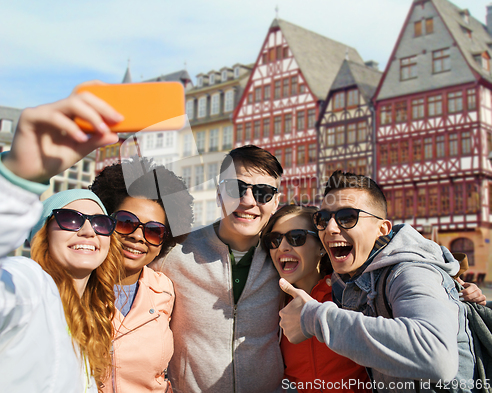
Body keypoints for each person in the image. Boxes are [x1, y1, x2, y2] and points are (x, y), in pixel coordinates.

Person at [279, 170, 479, 393]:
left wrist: (312, 318)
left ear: (382, 229)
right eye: (323, 219)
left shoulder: (410, 271)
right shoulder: (350, 278)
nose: (331, 228)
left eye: (347, 217)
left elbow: (437, 357)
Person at [0, 86, 124, 392]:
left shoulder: (96, 315)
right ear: (42, 233)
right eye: (70, 219)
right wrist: (16, 180)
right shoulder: (26, 284)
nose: (88, 231)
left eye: (101, 223)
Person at [150, 145, 284, 393]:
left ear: (276, 202)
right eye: (236, 188)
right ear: (219, 194)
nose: (248, 201)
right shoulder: (175, 253)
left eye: (263, 193)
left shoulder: (284, 259)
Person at [90, 160, 193, 393]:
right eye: (126, 223)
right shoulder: (74, 285)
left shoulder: (165, 290)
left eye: (154, 231)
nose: (138, 236)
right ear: (106, 221)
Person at [261, 205, 371, 393]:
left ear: (321, 246)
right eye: (275, 240)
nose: (282, 247)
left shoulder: (354, 297)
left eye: (297, 237)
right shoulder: (273, 307)